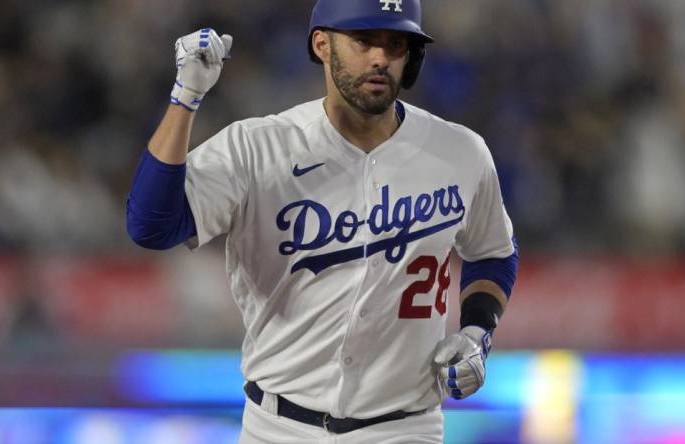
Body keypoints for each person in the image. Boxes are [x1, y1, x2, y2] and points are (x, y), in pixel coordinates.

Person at [126, 1, 518, 442]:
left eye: (396, 44)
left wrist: (477, 331)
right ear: (322, 44)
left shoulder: (460, 152)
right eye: (363, 40)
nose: (380, 58)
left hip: (405, 427)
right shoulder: (258, 148)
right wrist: (185, 98)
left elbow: (493, 252)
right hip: (277, 426)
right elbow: (151, 226)